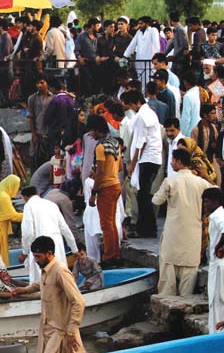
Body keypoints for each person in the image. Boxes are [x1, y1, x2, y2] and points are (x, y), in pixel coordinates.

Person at [13, 236, 91, 353]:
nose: (35, 260)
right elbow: (41, 284)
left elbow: (79, 302)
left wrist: (70, 331)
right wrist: (24, 290)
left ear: (49, 254)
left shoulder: (61, 271)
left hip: (60, 331)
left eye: (38, 256)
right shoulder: (46, 270)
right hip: (47, 327)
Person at [152, 148, 212, 296]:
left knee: (167, 284)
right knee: (188, 281)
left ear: (179, 162)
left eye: (172, 160)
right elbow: (216, 192)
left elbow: (156, 200)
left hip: (173, 238)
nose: (171, 163)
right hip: (192, 239)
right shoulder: (201, 183)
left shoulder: (170, 181)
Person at [122, 90, 162, 238]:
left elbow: (141, 142)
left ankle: (147, 229)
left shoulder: (142, 116)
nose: (130, 107)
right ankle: (147, 228)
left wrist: (132, 164)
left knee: (143, 196)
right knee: (143, 195)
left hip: (147, 159)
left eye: (131, 104)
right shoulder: (149, 113)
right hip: (152, 158)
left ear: (137, 102)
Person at [19, 186, 78, 283]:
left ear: (25, 197)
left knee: (42, 280)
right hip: (56, 245)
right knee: (60, 276)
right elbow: (65, 228)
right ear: (37, 194)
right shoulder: (51, 204)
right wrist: (74, 249)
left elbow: (27, 233)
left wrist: (24, 253)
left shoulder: (28, 206)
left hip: (40, 246)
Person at [86, 115, 123, 266]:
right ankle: (115, 254)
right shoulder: (115, 144)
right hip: (116, 184)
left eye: (91, 131)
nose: (90, 134)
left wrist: (94, 193)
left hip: (106, 188)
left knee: (106, 225)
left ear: (96, 130)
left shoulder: (101, 147)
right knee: (112, 223)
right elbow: (119, 167)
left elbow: (100, 171)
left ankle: (109, 257)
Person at [202, 187, 224, 334]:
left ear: (215, 201)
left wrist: (219, 245)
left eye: (206, 202)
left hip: (218, 266)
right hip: (216, 264)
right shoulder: (217, 215)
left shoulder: (218, 216)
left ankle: (216, 335)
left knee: (216, 301)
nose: (204, 205)